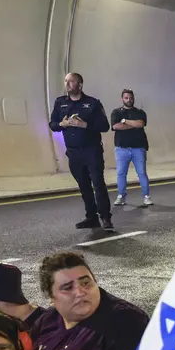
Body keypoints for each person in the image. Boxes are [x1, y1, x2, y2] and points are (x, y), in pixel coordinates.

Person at [28, 252, 149, 350]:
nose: (80, 292)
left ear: (95, 281)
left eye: (85, 283)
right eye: (68, 288)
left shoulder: (126, 321)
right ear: (50, 296)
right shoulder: (46, 322)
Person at [48, 72, 113, 231]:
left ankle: (105, 217)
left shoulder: (92, 103)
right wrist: (62, 124)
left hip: (91, 150)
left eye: (71, 81)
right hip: (73, 152)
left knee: (98, 184)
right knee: (84, 185)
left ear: (80, 85)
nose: (67, 84)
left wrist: (85, 125)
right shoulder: (60, 103)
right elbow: (53, 124)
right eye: (66, 81)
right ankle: (91, 217)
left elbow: (104, 126)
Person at [110, 88, 151, 208]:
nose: (129, 100)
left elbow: (141, 124)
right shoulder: (116, 112)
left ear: (134, 98)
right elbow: (116, 126)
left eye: (131, 98)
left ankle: (146, 197)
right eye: (126, 98)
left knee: (142, 173)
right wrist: (134, 125)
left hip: (138, 148)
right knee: (121, 173)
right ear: (122, 99)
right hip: (121, 148)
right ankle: (121, 196)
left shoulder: (140, 112)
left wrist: (125, 121)